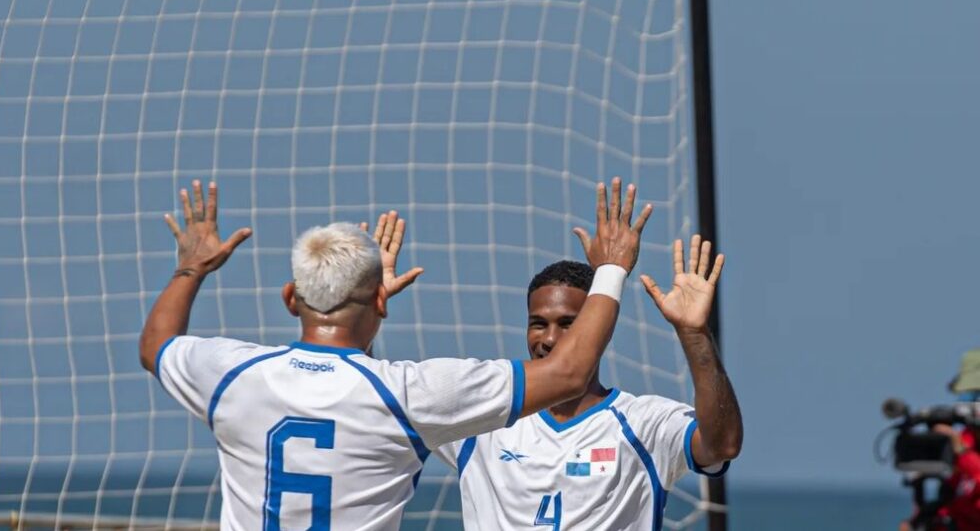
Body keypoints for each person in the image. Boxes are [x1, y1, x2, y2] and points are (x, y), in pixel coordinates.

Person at [138, 178, 651, 529]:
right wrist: (611, 268)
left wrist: (191, 268)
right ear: (380, 302)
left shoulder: (232, 375)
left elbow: (156, 345)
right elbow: (569, 373)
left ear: (291, 298)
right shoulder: (407, 395)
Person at [435, 236, 743, 530]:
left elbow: (723, 445)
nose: (549, 339)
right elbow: (405, 404)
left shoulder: (642, 424)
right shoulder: (484, 419)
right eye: (538, 324)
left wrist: (694, 334)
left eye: (567, 324)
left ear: (596, 329)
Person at [900, 350, 980, 531]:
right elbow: (951, 500)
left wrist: (962, 452)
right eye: (968, 396)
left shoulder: (962, 446)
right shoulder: (964, 439)